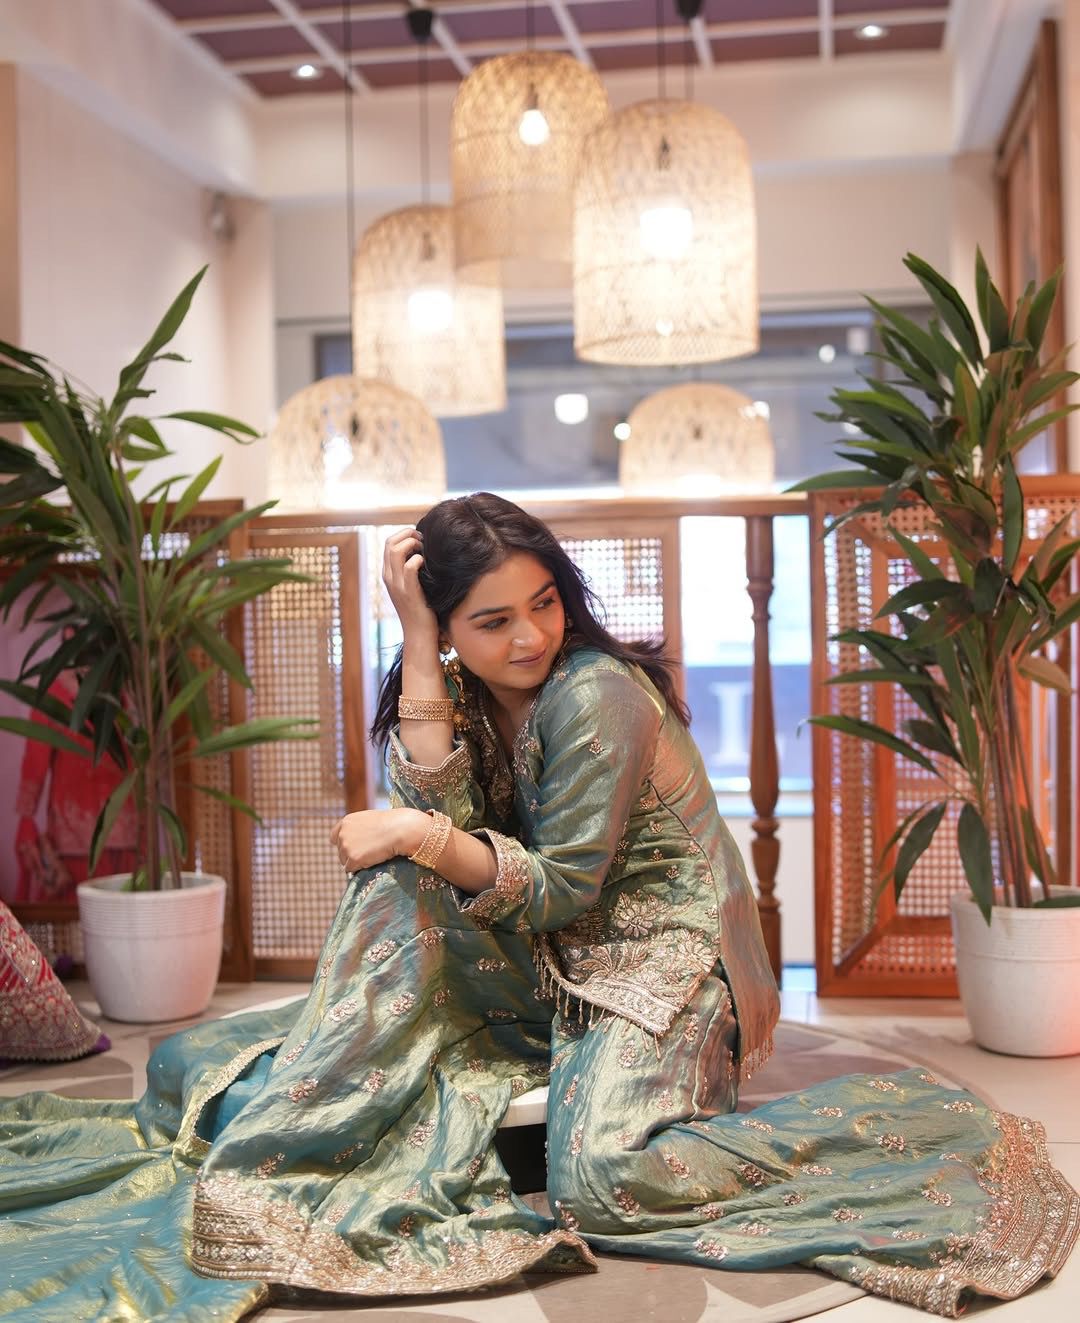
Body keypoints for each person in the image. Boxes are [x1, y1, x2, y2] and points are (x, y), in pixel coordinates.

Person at [0, 493, 1075, 1322]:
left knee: (601, 1181)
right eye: (492, 619)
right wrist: (417, 649)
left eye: (545, 602)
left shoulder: (596, 693)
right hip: (552, 950)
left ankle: (909, 1141)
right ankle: (333, 1110)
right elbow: (446, 817)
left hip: (663, 962)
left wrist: (419, 833)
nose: (530, 635)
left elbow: (555, 881)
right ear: (449, 626)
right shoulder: (467, 686)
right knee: (324, 968)